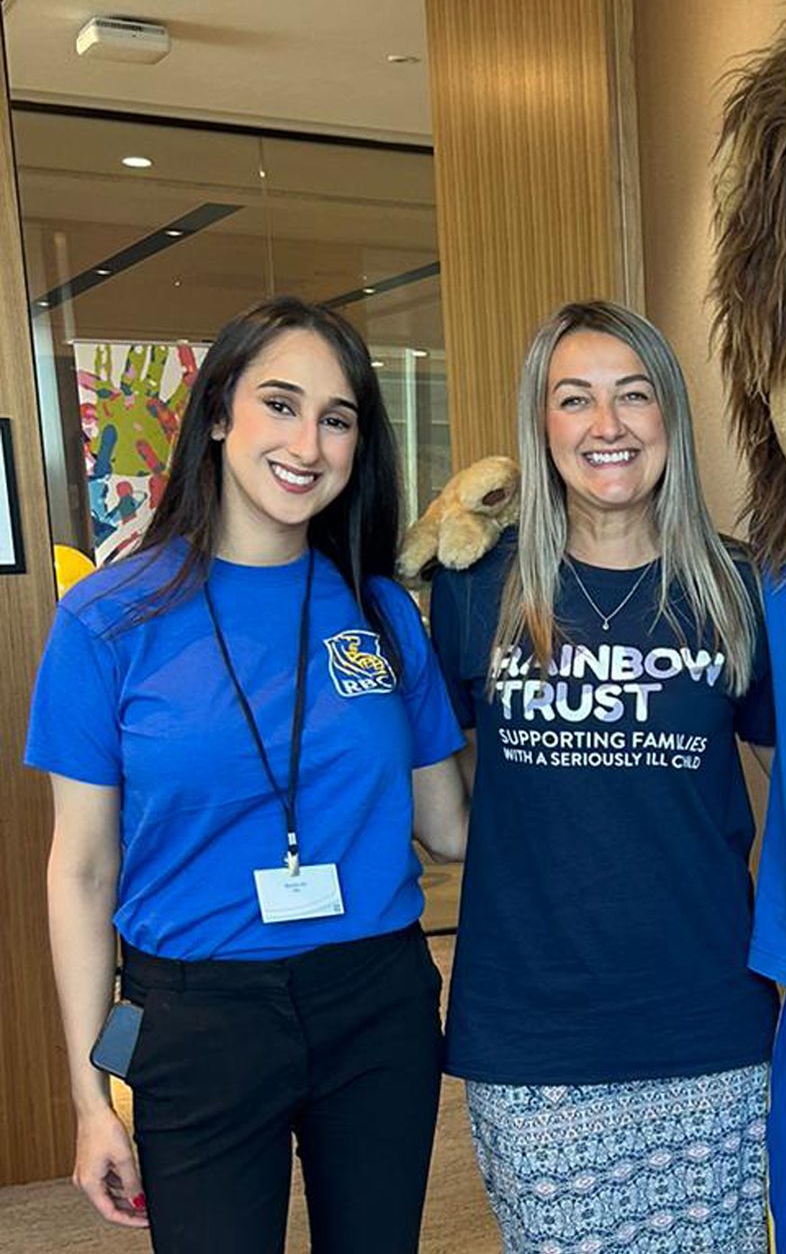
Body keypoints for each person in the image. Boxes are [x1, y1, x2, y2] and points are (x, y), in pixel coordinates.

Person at [29, 296, 468, 1253]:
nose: (308, 442)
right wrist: (88, 1098)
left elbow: (451, 826)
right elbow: (81, 870)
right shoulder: (108, 619)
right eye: (280, 404)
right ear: (220, 412)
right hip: (198, 1015)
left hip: (376, 1001)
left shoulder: (382, 612)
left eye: (338, 417)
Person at [427, 301, 777, 1254]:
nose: (606, 426)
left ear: (670, 414)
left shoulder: (741, 590)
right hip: (533, 1027)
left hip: (707, 1018)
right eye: (573, 399)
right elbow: (437, 795)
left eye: (632, 396)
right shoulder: (477, 586)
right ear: (541, 428)